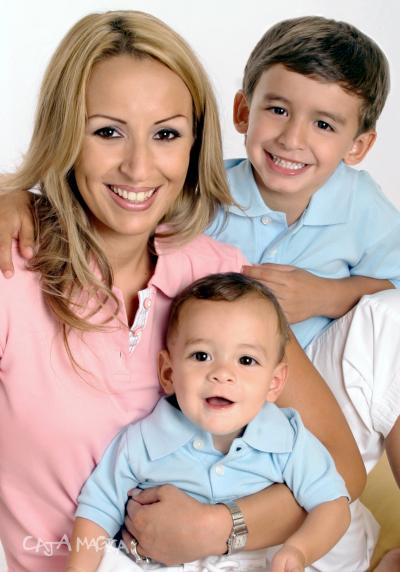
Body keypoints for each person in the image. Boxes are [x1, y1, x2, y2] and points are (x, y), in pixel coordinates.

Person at [0, 10, 364, 572]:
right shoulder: (11, 273)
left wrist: (218, 528)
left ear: (196, 144)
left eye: (166, 134)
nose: (140, 166)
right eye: (107, 131)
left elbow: (342, 467)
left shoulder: (217, 276)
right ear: (65, 132)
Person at [203, 16, 400, 571]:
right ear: (243, 110)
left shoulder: (358, 203)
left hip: (322, 403)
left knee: (394, 320)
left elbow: (395, 284)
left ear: (359, 144)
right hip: (225, 400)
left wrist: (328, 294)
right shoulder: (205, 194)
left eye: (324, 124)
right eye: (278, 109)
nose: (292, 139)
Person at [67, 272, 350, 572]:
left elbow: (334, 505)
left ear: (274, 382)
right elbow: (97, 510)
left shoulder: (287, 439)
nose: (222, 374)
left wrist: (299, 550)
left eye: (246, 360)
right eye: (201, 356)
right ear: (168, 373)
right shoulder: (144, 441)